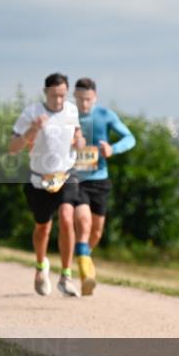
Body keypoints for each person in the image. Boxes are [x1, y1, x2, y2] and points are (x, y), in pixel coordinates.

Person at [8, 73, 87, 298]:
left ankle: (66, 276)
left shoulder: (71, 111)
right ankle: (41, 267)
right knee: (43, 227)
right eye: (54, 96)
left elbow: (77, 133)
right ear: (45, 93)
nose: (59, 101)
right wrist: (33, 129)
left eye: (63, 95)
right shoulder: (31, 113)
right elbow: (13, 147)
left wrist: (80, 140)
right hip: (39, 178)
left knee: (66, 217)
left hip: (66, 174)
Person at [69, 77, 137, 296]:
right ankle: (86, 274)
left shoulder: (105, 116)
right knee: (84, 222)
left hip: (99, 180)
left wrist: (112, 149)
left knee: (96, 232)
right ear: (74, 97)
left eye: (88, 99)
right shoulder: (67, 118)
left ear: (95, 97)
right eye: (80, 99)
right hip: (75, 179)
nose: (84, 104)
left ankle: (83, 258)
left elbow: (130, 138)